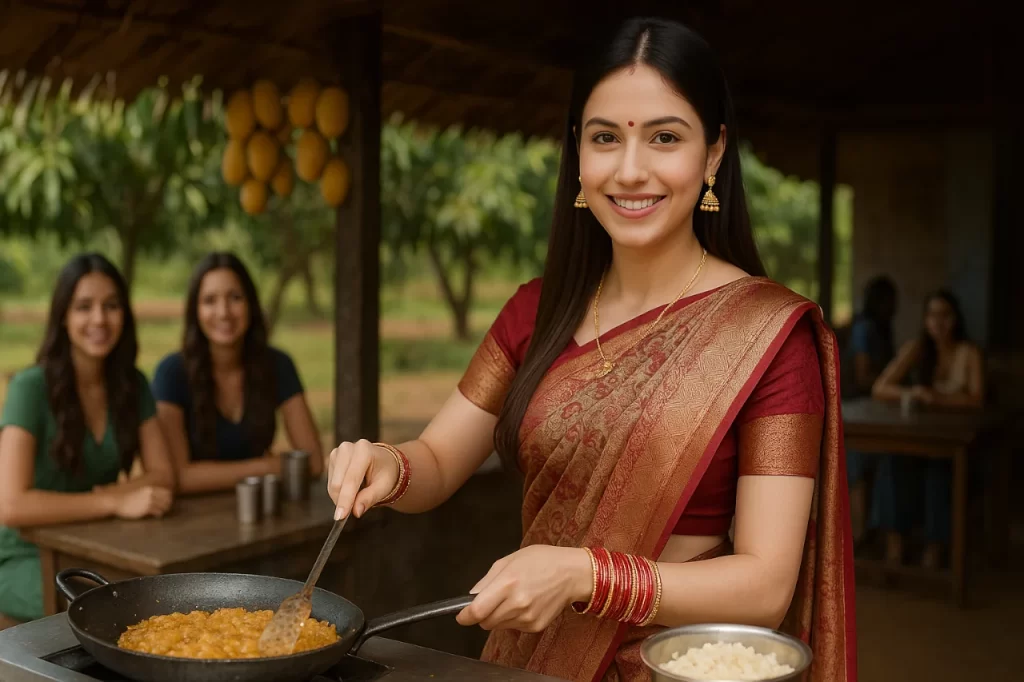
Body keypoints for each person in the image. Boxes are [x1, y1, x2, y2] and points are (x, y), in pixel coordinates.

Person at [327, 17, 855, 682]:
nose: (631, 171)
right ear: (578, 152)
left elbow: (764, 585)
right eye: (606, 138)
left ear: (714, 154)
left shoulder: (767, 337)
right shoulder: (535, 312)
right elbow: (435, 459)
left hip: (676, 668)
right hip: (530, 662)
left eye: (665, 138)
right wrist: (385, 464)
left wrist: (584, 574)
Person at [0, 254, 175, 625]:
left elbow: (162, 475)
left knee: (158, 597)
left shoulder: (131, 384)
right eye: (84, 307)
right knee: (106, 611)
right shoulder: (30, 388)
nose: (99, 319)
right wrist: (113, 500)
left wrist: (113, 500)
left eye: (111, 306)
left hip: (94, 546)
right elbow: (12, 505)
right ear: (63, 316)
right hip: (22, 554)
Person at [152, 253, 323, 494]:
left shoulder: (277, 364)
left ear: (251, 305)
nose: (223, 312)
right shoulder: (172, 373)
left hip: (260, 512)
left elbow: (314, 463)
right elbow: (178, 477)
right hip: (189, 523)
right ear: (195, 311)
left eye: (235, 298)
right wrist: (268, 466)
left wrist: (211, 474)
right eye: (209, 300)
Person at [871, 290, 984, 568]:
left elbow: (977, 399)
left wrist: (940, 399)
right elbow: (880, 388)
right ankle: (895, 542)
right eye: (933, 315)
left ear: (956, 319)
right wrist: (915, 392)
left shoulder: (968, 353)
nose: (939, 322)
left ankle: (935, 548)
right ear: (925, 319)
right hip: (918, 437)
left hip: (955, 443)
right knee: (892, 461)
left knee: (939, 473)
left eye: (945, 315)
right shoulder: (917, 348)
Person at [841, 276, 897, 543]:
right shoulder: (866, 328)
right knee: (858, 463)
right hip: (856, 406)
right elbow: (863, 377)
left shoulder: (882, 329)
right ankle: (859, 534)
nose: (893, 306)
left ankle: (871, 532)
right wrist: (894, 384)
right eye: (889, 300)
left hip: (871, 407)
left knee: (885, 460)